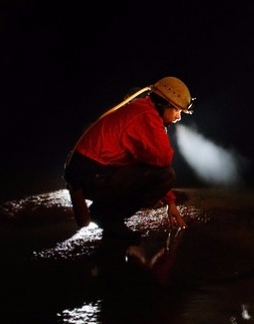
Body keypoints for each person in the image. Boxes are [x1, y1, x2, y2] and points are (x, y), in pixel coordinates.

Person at [64, 76, 194, 241]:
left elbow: (150, 163)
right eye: (176, 110)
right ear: (162, 104)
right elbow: (163, 160)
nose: (178, 117)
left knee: (154, 173)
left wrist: (170, 202)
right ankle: (108, 217)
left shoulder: (143, 109)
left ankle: (103, 212)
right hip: (91, 174)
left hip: (88, 171)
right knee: (166, 176)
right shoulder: (147, 117)